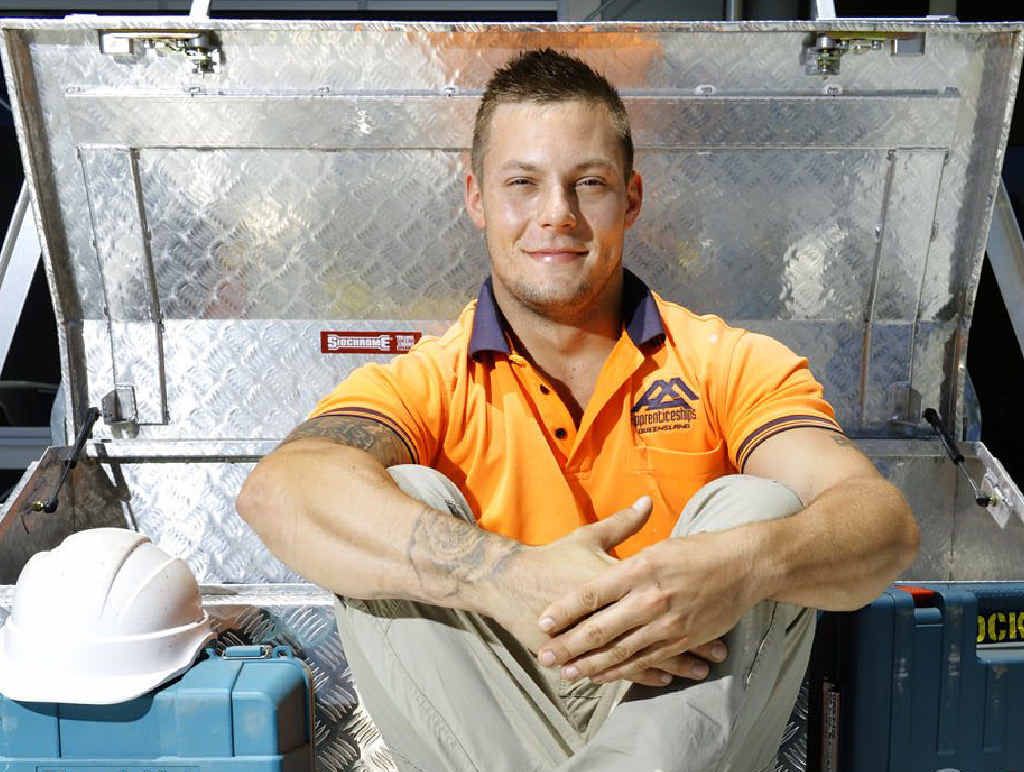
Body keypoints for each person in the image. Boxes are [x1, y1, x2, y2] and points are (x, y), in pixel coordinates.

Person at [237, 48, 919, 772]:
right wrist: (504, 576)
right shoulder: (430, 381)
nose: (556, 215)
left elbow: (881, 523)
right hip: (495, 697)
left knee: (758, 510)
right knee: (397, 504)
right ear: (476, 198)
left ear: (631, 199)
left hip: (679, 690)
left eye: (588, 184)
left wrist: (738, 567)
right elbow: (278, 491)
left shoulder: (728, 364)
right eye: (522, 184)